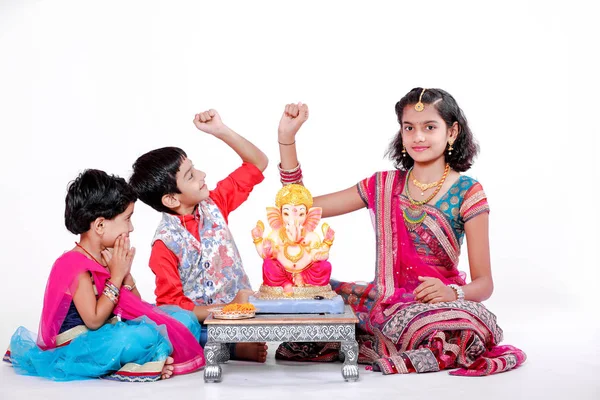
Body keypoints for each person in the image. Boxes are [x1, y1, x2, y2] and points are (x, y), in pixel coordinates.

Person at [273, 90, 526, 376]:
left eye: (429, 127)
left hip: (438, 307)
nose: (418, 137)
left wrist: (453, 292)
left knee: (457, 327)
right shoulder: (382, 185)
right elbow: (300, 206)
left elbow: (485, 284)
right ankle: (392, 336)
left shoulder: (468, 192)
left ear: (452, 132)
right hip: (385, 303)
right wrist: (287, 139)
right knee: (307, 295)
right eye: (409, 128)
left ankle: (396, 338)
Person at [4, 170, 205, 381]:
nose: (131, 227)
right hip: (81, 346)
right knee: (137, 337)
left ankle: (146, 360)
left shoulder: (107, 257)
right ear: (100, 225)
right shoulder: (74, 265)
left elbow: (137, 308)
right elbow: (93, 320)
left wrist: (125, 275)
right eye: (127, 219)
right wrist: (116, 277)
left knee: (182, 318)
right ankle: (139, 364)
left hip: (109, 334)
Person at [129, 109, 268, 362]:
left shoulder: (216, 203)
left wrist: (221, 131)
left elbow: (258, 163)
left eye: (195, 169)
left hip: (246, 313)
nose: (203, 175)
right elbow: (172, 308)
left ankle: (233, 342)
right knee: (178, 330)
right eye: (191, 176)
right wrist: (228, 309)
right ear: (171, 199)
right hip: (205, 322)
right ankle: (231, 348)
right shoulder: (164, 244)